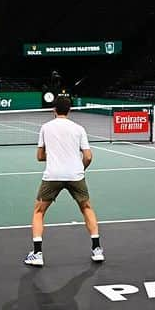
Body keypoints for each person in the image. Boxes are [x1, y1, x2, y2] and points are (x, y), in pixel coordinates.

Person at [24, 95, 104, 267]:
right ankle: (97, 249)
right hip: (76, 175)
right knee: (87, 208)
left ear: (54, 109)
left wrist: (54, 155)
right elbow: (88, 156)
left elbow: (39, 156)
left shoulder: (45, 128)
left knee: (39, 212)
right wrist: (79, 169)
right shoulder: (79, 129)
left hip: (52, 175)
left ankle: (37, 253)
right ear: (70, 110)